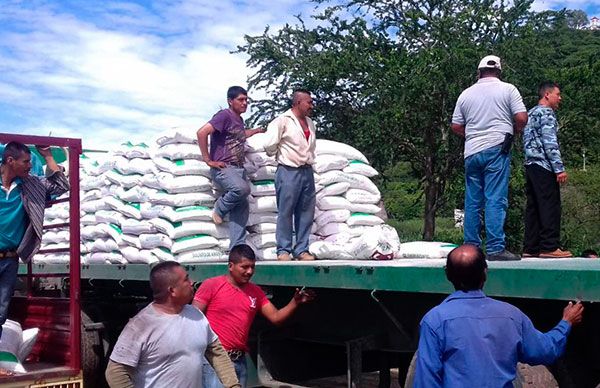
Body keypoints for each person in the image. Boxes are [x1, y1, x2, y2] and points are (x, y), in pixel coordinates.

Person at [414, 244, 584, 388]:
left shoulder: (434, 320)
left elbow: (426, 380)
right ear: (485, 273)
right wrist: (566, 322)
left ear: (448, 274)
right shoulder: (511, 316)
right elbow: (544, 351)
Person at [193, 244, 315, 387]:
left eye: (252, 266)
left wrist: (295, 302)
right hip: (216, 361)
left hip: (239, 361)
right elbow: (194, 320)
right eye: (244, 267)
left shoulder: (255, 292)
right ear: (231, 266)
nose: (249, 271)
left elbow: (276, 317)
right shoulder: (212, 285)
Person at [105, 261, 240, 388]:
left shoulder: (196, 315)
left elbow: (216, 352)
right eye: (186, 279)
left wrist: (233, 385)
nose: (192, 282)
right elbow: (115, 373)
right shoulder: (141, 325)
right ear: (172, 291)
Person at [451, 55, 528, 261]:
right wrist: (514, 132)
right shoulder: (508, 89)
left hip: (472, 152)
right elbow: (521, 117)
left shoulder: (465, 94)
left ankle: (471, 248)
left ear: (479, 71)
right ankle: (495, 248)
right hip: (497, 148)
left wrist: (474, 135)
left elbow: (456, 126)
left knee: (473, 201)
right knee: (495, 198)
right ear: (499, 71)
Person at [0, 142, 68, 353]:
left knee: (0, 312)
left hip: (9, 260)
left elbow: (61, 186)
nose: (30, 165)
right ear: (10, 161)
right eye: (26, 162)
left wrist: (47, 156)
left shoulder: (30, 185)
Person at [197, 86, 264, 249]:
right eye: (241, 100)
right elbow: (201, 132)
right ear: (230, 101)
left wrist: (255, 131)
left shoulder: (239, 120)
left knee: (242, 209)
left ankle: (237, 248)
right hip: (224, 168)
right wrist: (208, 160)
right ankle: (219, 209)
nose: (245, 103)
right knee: (241, 189)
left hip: (239, 168)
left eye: (246, 100)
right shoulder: (224, 115)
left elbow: (239, 134)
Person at [264, 89, 317, 261]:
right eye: (308, 102)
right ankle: (283, 250)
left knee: (306, 212)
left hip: (306, 170)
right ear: (297, 103)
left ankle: (301, 249)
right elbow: (269, 145)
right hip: (288, 170)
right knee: (286, 211)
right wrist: (282, 153)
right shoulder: (282, 121)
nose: (311, 105)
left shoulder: (310, 123)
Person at [522, 82, 572, 258]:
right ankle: (549, 246)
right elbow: (549, 142)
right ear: (547, 95)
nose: (560, 98)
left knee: (533, 206)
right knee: (550, 205)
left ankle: (531, 247)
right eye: (557, 94)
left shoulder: (531, 112)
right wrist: (559, 169)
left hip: (530, 164)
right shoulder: (547, 113)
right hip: (544, 165)